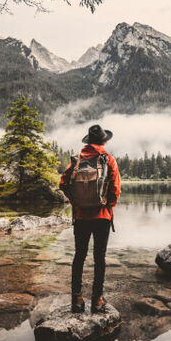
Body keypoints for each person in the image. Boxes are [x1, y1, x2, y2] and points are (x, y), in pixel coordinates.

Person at [59, 124, 121, 314]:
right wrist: (107, 206)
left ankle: (77, 301)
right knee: (99, 258)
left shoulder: (76, 160)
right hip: (102, 217)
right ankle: (97, 300)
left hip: (81, 217)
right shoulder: (108, 159)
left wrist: (76, 203)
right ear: (103, 141)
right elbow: (116, 190)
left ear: (88, 141)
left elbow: (63, 183)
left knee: (79, 256)